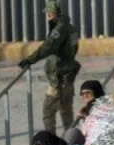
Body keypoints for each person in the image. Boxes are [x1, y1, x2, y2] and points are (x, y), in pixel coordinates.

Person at [19, 1, 80, 133]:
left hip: (59, 78)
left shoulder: (59, 29)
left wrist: (30, 60)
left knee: (48, 112)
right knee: (66, 111)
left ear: (51, 13)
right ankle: (70, 140)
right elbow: (74, 48)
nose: (46, 15)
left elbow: (48, 46)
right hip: (69, 75)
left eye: (47, 13)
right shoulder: (70, 27)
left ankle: (51, 142)